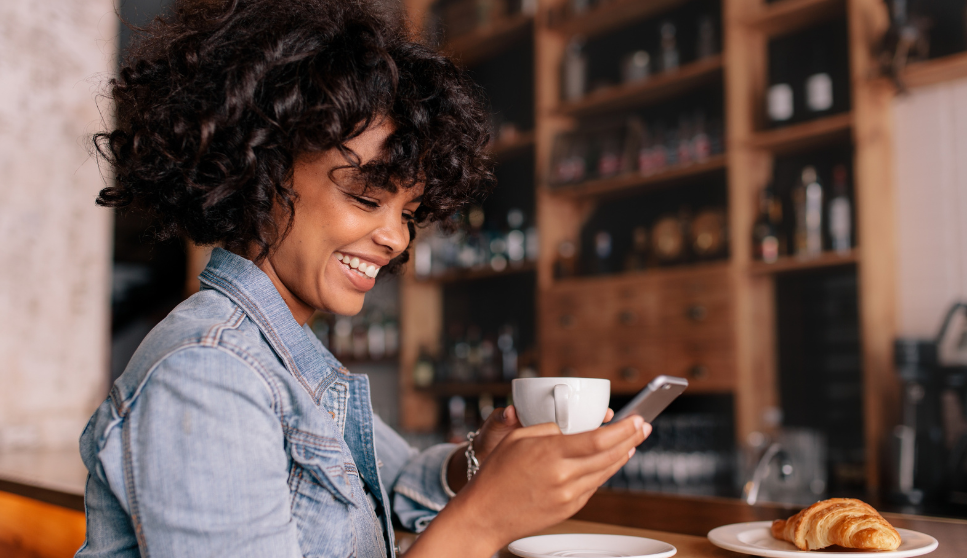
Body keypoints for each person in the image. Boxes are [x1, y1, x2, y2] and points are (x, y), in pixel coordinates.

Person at [79, 1, 650, 557]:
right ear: (261, 171)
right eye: (366, 197)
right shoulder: (209, 373)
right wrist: (484, 522)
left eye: (408, 213)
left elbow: (397, 481)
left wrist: (480, 459)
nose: (397, 238)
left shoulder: (289, 358)